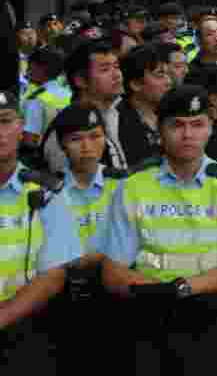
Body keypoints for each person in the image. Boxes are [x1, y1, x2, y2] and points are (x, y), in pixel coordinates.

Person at [99, 85, 217, 376]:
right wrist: (163, 293)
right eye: (177, 125)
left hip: (214, 314)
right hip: (149, 315)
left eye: (197, 125)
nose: (188, 135)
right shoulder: (133, 185)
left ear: (211, 129)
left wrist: (181, 288)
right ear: (158, 131)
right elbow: (113, 272)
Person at [0, 89, 82, 372]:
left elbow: (54, 274)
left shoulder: (47, 191)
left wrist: (4, 316)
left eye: (5, 120)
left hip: (23, 333)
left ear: (21, 126)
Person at [47, 104, 124, 371]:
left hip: (119, 299)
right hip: (65, 302)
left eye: (95, 136)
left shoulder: (125, 185)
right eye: (76, 139)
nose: (87, 147)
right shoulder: (48, 192)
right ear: (62, 145)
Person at [46, 40, 128, 172]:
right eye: (105, 69)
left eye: (117, 67)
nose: (117, 75)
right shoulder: (65, 128)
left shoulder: (120, 113)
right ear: (80, 80)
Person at [116, 44, 170, 167]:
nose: (168, 81)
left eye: (167, 74)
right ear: (136, 84)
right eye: (160, 75)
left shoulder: (172, 113)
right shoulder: (118, 122)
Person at [21, 46, 70, 147]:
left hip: (45, 157)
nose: (27, 71)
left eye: (30, 67)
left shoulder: (36, 100)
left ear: (41, 68)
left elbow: (29, 140)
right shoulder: (70, 94)